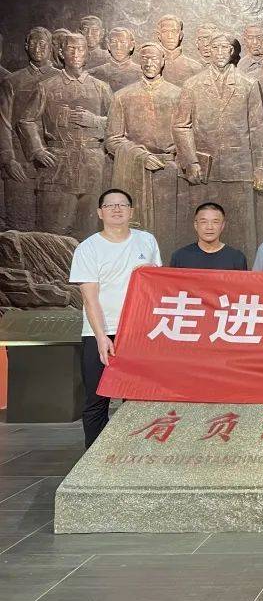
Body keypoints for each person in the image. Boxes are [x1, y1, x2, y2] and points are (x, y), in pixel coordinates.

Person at [69, 189, 162, 447]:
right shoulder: (88, 248)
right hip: (100, 332)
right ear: (100, 213)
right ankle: (95, 458)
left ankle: (131, 454)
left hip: (138, 331)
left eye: (122, 205)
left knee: (136, 398)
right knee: (97, 399)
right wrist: (101, 337)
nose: (117, 209)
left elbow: (157, 282)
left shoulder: (146, 241)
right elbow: (90, 298)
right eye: (110, 206)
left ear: (131, 211)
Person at [169, 202, 248, 270]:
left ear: (222, 225)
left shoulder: (237, 258)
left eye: (215, 222)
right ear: (196, 225)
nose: (209, 227)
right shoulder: (180, 257)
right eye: (204, 222)